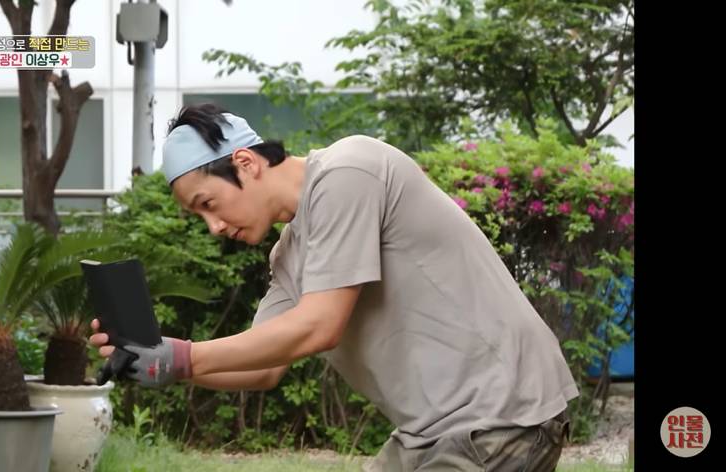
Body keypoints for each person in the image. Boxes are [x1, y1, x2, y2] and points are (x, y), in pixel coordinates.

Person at [89, 103, 579, 471]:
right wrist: (157, 359)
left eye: (208, 203)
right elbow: (265, 368)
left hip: (500, 415)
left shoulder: (348, 171)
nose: (212, 226)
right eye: (198, 215)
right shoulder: (291, 254)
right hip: (431, 434)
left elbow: (320, 325)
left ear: (246, 163)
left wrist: (184, 357)